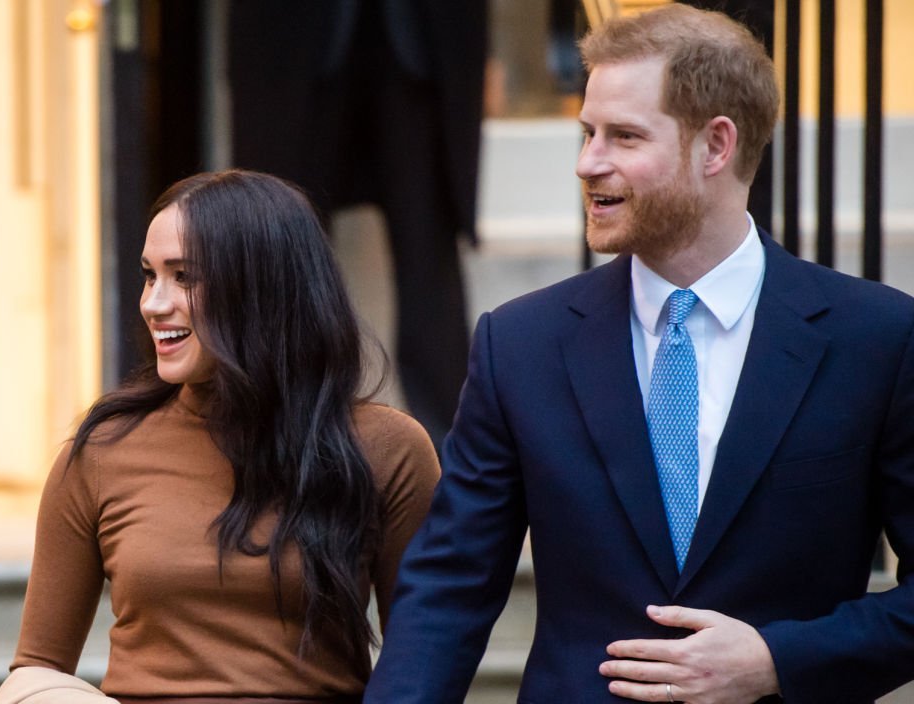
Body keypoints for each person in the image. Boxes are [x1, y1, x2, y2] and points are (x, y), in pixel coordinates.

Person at [364, 5, 914, 703]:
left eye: (623, 136)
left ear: (715, 146)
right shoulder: (521, 344)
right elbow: (448, 587)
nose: (588, 162)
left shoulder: (877, 338)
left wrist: (779, 658)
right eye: (588, 132)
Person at [0, 170, 440, 703]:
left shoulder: (387, 448)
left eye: (184, 277)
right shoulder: (102, 451)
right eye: (149, 275)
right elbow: (38, 668)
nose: (154, 304)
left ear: (262, 286)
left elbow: (423, 661)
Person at [228, 0, 487, 449]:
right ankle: (278, 436)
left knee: (429, 256)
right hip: (293, 44)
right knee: (278, 244)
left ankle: (455, 453)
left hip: (419, 46)